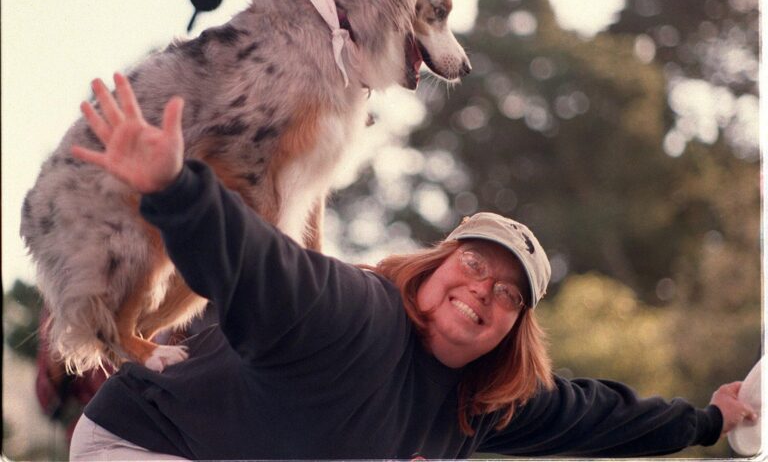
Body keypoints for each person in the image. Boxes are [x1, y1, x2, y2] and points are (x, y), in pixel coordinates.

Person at [67, 73, 756, 460]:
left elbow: (600, 416)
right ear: (430, 270)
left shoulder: (479, 407)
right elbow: (257, 266)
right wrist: (175, 189)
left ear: (511, 330)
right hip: (147, 441)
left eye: (509, 294)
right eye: (472, 264)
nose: (483, 289)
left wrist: (708, 421)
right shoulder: (354, 315)